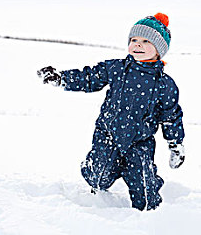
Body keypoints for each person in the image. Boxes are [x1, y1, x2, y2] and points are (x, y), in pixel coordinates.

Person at [37, 13, 185, 211]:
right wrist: (61, 78)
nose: (137, 45)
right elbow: (88, 78)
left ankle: (150, 221)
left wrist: (175, 144)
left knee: (146, 194)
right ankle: (93, 169)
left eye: (145, 41)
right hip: (108, 136)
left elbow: (171, 116)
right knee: (98, 177)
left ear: (159, 50)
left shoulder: (165, 85)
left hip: (140, 143)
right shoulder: (116, 68)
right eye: (133, 40)